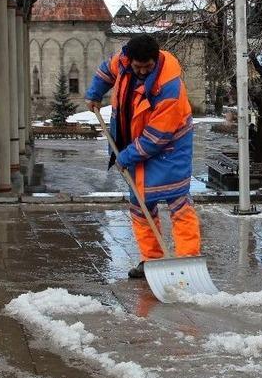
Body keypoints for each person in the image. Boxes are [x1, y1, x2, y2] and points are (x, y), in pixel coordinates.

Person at [85, 34, 201, 279]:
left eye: (147, 67)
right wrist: (95, 93)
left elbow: (157, 136)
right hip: (134, 147)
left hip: (170, 150)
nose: (142, 72)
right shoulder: (124, 61)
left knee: (178, 204)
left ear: (156, 60)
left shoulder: (170, 87)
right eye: (137, 67)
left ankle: (188, 261)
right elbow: (106, 71)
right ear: (130, 60)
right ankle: (152, 260)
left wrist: (126, 156)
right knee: (140, 206)